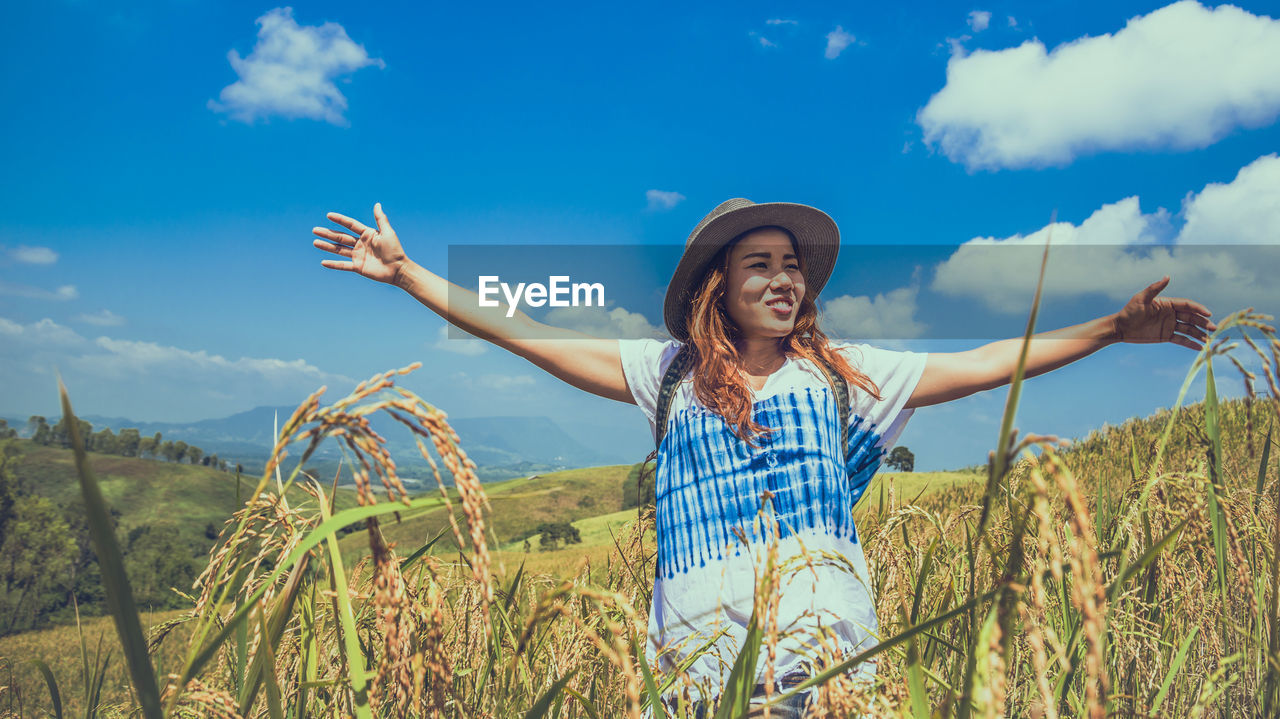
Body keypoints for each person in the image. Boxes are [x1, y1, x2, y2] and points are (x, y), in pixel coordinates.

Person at [311, 198, 1214, 718]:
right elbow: (528, 334)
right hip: (700, 667)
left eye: (793, 265)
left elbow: (983, 364)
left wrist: (1108, 331)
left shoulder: (843, 376)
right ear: (719, 285)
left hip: (828, 660)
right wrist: (411, 274)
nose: (785, 279)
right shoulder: (665, 374)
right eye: (761, 265)